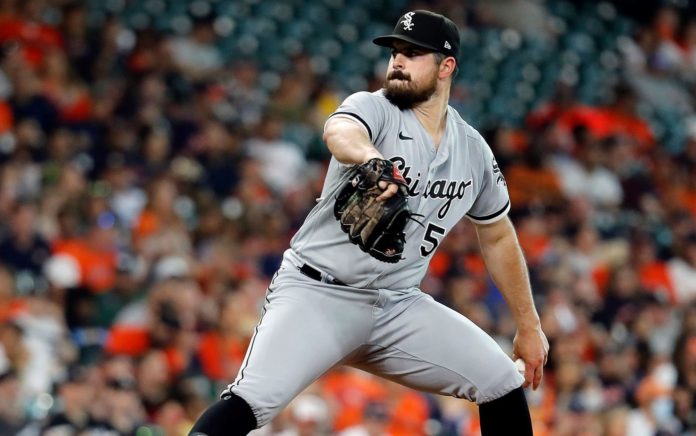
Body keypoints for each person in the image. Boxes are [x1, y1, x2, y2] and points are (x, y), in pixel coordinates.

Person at [190, 10, 549, 436]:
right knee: (249, 401)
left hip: (397, 304)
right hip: (317, 293)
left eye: (413, 53)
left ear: (446, 66)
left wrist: (529, 326)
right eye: (395, 51)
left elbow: (497, 235)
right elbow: (339, 132)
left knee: (501, 383)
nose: (397, 61)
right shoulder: (373, 108)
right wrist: (370, 158)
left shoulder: (473, 152)